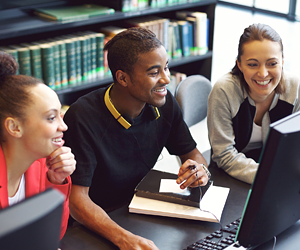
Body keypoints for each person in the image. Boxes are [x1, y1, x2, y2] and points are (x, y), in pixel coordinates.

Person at [63, 27, 210, 250]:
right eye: (154, 72)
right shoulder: (82, 116)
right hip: (96, 225)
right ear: (122, 78)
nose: (167, 79)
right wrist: (123, 238)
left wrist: (200, 170)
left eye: (166, 67)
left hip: (139, 210)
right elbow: (77, 201)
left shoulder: (165, 102)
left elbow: (193, 154)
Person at [207, 23, 300, 184]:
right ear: (240, 64)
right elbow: (223, 154)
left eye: (272, 63)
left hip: (278, 174)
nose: (263, 73)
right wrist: (269, 176)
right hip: (229, 175)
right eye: (252, 64)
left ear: (282, 62)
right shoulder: (224, 90)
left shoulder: (296, 88)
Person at [0, 51, 76, 239]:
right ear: (14, 127)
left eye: (61, 114)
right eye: (51, 117)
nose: (63, 126)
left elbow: (51, 237)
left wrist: (56, 181)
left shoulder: (41, 165)